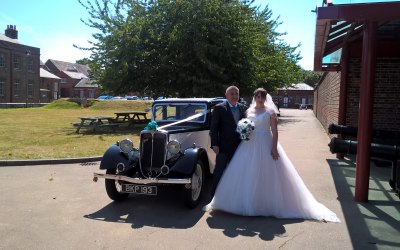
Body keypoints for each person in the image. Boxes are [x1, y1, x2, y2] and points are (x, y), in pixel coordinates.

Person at [204, 88, 340, 222]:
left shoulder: (270, 111)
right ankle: (220, 199)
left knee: (265, 172)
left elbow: (274, 131)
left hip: (265, 142)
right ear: (254, 97)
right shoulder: (247, 110)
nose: (260, 99)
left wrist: (274, 147)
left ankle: (262, 203)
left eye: (262, 96)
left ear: (265, 98)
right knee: (241, 172)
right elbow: (231, 126)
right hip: (247, 144)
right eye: (258, 96)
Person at [209, 85, 247, 197]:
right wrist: (214, 144)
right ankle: (214, 196)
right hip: (223, 146)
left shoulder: (243, 108)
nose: (235, 96)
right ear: (226, 95)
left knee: (237, 172)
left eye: (236, 94)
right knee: (219, 171)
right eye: (232, 93)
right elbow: (214, 128)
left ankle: (233, 196)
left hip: (239, 146)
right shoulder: (219, 108)